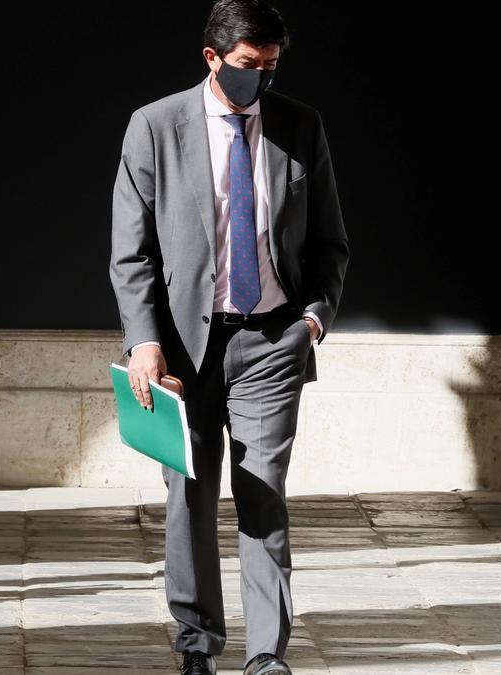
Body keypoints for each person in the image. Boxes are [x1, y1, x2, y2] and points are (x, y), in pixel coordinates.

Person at [109, 1, 349, 672]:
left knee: (262, 490)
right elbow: (132, 254)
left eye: (272, 67)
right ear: (212, 57)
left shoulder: (302, 126)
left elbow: (332, 242)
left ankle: (267, 653)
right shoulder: (155, 127)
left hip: (272, 341)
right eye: (249, 66)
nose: (262, 79)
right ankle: (196, 642)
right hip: (181, 348)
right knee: (187, 492)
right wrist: (144, 341)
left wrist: (312, 320)